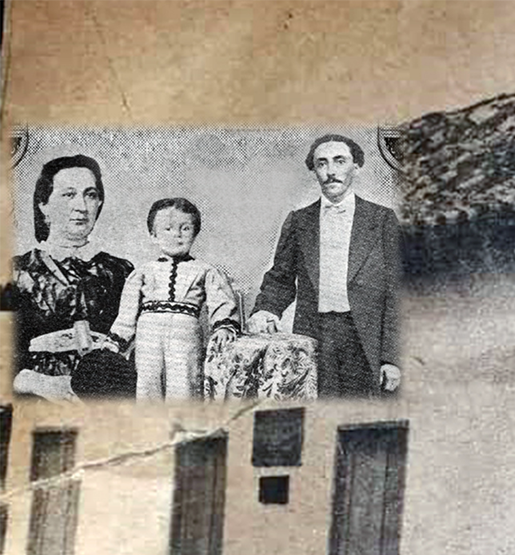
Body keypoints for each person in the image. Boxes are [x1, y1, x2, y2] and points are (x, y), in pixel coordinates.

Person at [248, 134, 400, 398]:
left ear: (356, 166)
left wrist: (392, 357)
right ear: (314, 170)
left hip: (366, 336)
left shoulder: (382, 219)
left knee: (364, 420)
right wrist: (265, 310)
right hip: (315, 334)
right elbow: (280, 278)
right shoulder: (299, 221)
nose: (331, 172)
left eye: (339, 161)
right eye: (322, 164)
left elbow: (398, 292)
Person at [3, 154, 134, 401]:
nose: (81, 207)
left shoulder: (121, 272)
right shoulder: (16, 272)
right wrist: (37, 382)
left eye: (90, 195)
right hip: (37, 400)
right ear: (44, 205)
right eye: (68, 194)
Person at [106, 198, 240, 400]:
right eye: (167, 229)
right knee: (147, 382)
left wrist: (223, 326)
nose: (176, 234)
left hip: (185, 335)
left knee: (185, 383)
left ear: (195, 233)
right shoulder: (142, 272)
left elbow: (220, 301)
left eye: (185, 228)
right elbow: (127, 314)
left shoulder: (206, 270)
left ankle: (183, 427)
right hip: (148, 335)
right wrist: (116, 341)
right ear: (153, 234)